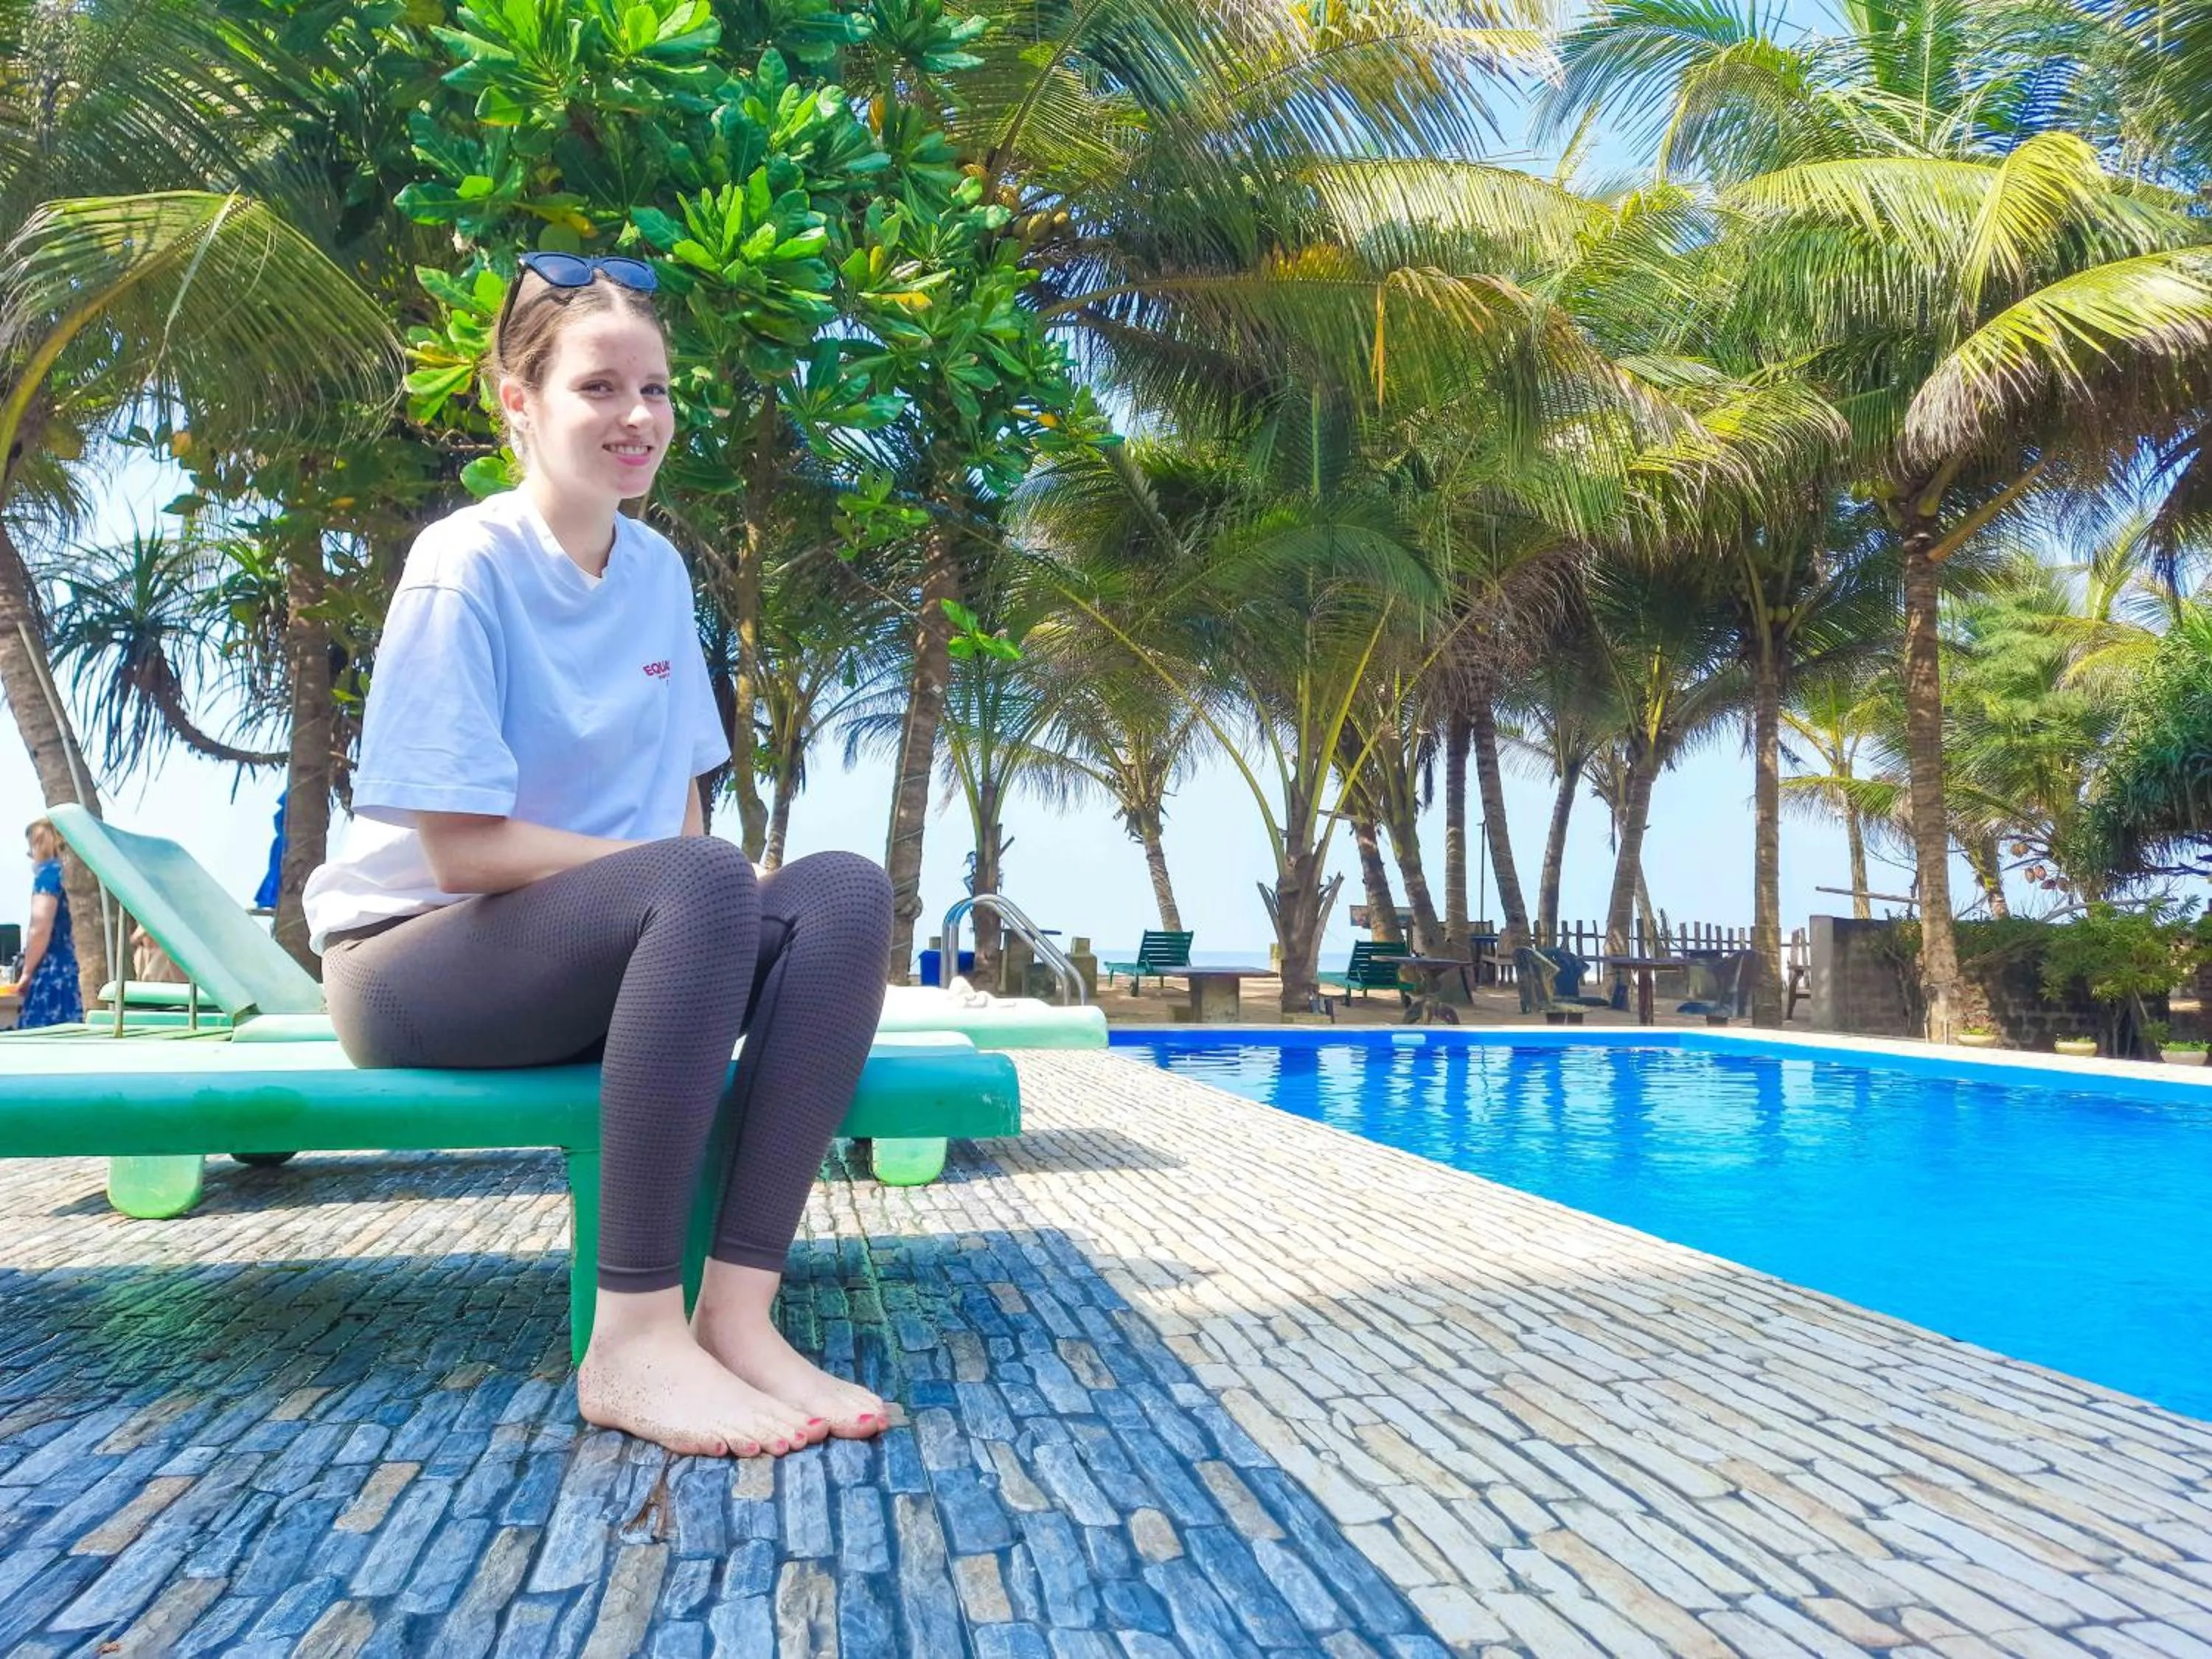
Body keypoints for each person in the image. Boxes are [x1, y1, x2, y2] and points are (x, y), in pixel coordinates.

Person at [302, 251, 894, 1460]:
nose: (638, 417)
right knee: (707, 877)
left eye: (658, 390)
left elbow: (677, 822)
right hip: (414, 962)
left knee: (840, 894)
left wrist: (715, 893)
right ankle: (630, 1338)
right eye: (599, 388)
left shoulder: (660, 571)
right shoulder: (463, 566)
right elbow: (460, 852)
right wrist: (688, 887)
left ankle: (737, 1315)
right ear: (517, 402)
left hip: (592, 947)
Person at [4, 818, 83, 1029]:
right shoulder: (68, 875)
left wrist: (27, 972)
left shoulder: (47, 875)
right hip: (72, 968)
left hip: (53, 970)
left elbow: (40, 926)